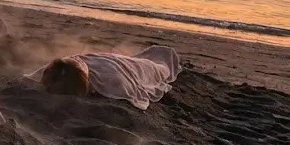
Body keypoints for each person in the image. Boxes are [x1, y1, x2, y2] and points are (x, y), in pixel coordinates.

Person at [29, 45, 181, 110]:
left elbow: (138, 99)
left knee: (158, 69)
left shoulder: (113, 83)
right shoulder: (56, 69)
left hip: (116, 66)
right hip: (98, 62)